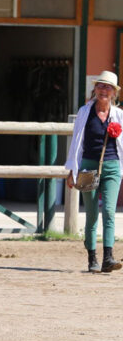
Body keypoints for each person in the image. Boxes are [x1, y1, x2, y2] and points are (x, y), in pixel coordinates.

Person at [65, 70, 123, 273]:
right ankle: (92, 257)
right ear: (95, 89)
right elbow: (76, 142)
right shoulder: (84, 112)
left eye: (108, 87)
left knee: (108, 210)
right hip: (88, 166)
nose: (103, 90)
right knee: (91, 214)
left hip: (112, 166)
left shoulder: (119, 115)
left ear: (114, 93)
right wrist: (72, 170)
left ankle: (108, 257)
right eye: (101, 86)